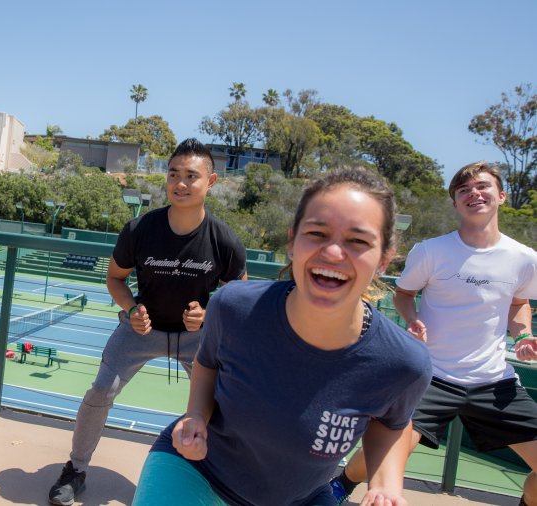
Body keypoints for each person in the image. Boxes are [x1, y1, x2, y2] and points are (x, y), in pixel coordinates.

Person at [132, 167, 433, 506]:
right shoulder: (235, 308)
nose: (333, 253)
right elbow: (207, 366)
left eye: (358, 241)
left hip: (302, 498)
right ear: (293, 241)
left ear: (384, 260)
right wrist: (196, 417)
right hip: (197, 473)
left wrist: (386, 486)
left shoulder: (405, 362)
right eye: (317, 233)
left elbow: (391, 425)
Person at [48, 138, 248, 506]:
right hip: (140, 331)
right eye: (174, 174)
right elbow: (115, 278)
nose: (181, 183)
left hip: (197, 339)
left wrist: (210, 313)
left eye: (191, 176)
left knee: (219, 408)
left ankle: (214, 478)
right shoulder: (140, 229)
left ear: (212, 182)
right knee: (99, 393)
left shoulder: (224, 240)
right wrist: (131, 309)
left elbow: (239, 297)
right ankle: (75, 469)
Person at [331, 162, 537, 506]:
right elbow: (403, 293)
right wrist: (411, 321)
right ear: (456, 203)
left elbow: (518, 304)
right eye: (464, 190)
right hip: (432, 376)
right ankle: (339, 485)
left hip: (494, 382)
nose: (474, 193)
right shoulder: (432, 251)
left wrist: (523, 335)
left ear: (501, 196)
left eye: (483, 186)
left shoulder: (524, 258)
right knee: (381, 457)